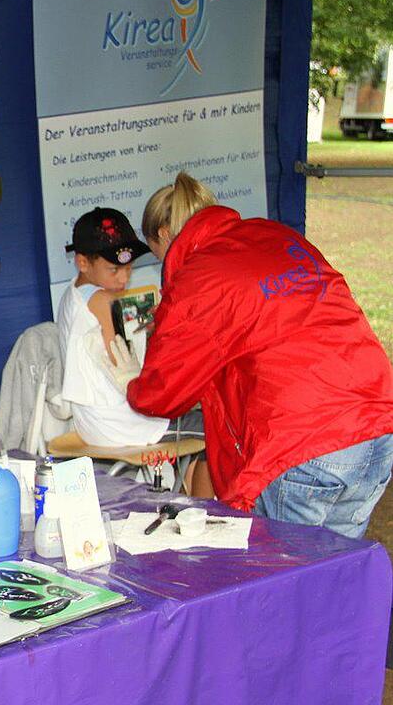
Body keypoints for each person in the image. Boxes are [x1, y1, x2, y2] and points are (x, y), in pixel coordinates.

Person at [107, 172, 393, 537]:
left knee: (286, 581)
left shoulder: (199, 275)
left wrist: (134, 382)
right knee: (335, 577)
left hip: (302, 442)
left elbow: (163, 393)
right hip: (374, 424)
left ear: (164, 237)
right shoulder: (276, 236)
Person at [57, 207, 206, 491]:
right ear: (82, 262)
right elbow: (121, 366)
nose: (124, 279)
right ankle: (210, 512)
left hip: (92, 422)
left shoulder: (71, 294)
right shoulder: (101, 300)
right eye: (114, 269)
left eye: (128, 268)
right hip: (122, 423)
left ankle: (193, 501)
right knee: (220, 424)